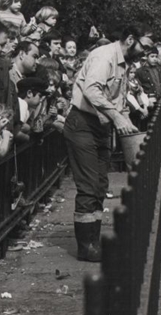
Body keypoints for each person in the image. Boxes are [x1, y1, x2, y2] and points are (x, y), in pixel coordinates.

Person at [64, 26, 152, 262]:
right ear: (130, 40)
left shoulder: (123, 63)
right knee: (89, 185)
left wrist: (126, 126)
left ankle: (94, 239)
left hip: (100, 127)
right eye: (143, 48)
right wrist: (117, 118)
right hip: (82, 123)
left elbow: (118, 100)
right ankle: (86, 246)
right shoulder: (105, 56)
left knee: (100, 184)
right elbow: (92, 91)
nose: (144, 54)